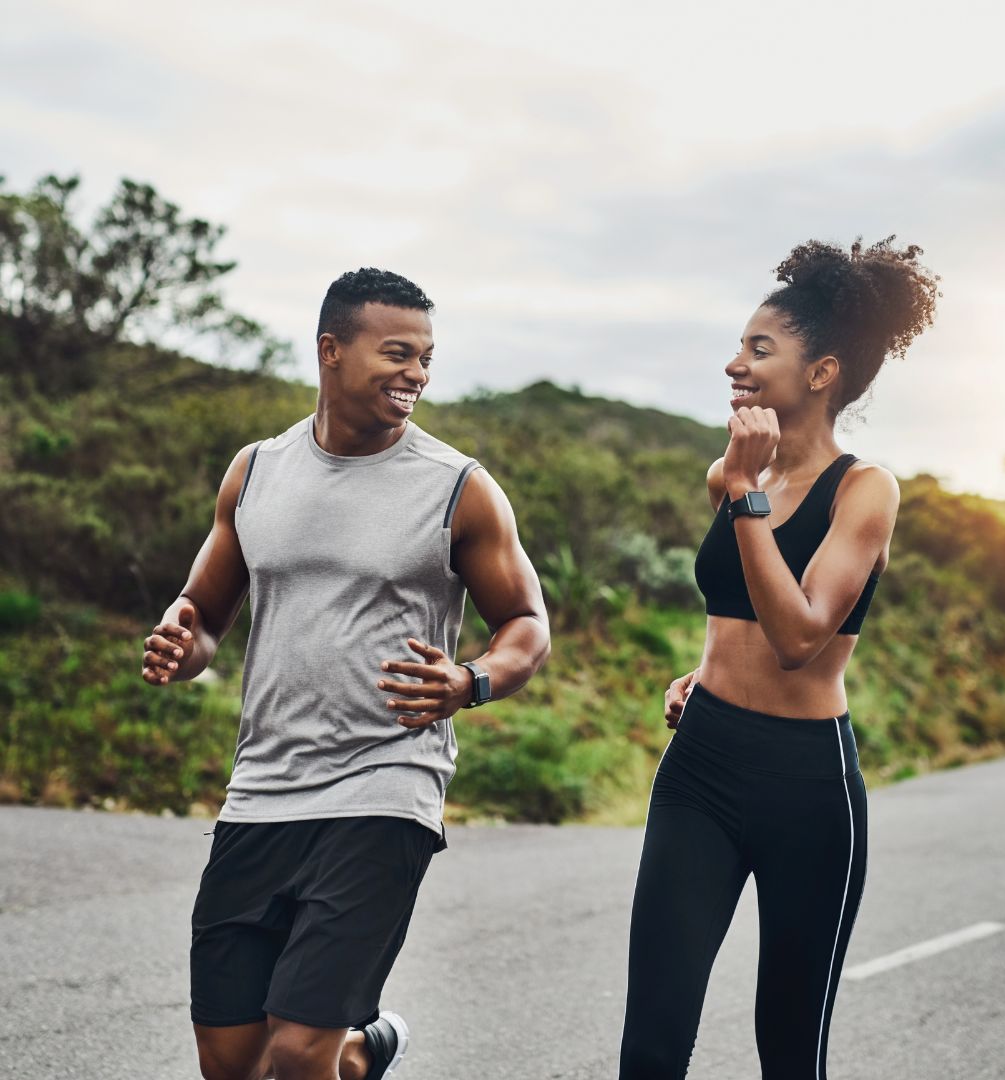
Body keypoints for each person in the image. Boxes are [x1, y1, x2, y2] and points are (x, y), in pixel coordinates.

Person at [141, 268, 550, 1080]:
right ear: (331, 350)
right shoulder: (256, 471)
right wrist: (184, 646)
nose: (417, 375)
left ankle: (336, 1051)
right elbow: (206, 609)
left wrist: (471, 681)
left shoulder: (458, 488)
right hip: (263, 790)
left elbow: (527, 625)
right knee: (232, 1062)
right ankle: (364, 1054)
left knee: (294, 1053)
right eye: (396, 353)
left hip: (385, 786)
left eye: (426, 358)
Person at [619, 238, 939, 1079]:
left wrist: (747, 492)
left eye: (760, 350)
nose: (736, 364)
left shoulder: (864, 489)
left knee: (789, 1050)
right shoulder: (731, 473)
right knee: (651, 1044)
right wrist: (708, 668)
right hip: (702, 764)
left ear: (822, 372)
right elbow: (737, 603)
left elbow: (800, 637)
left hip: (806, 783)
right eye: (740, 346)